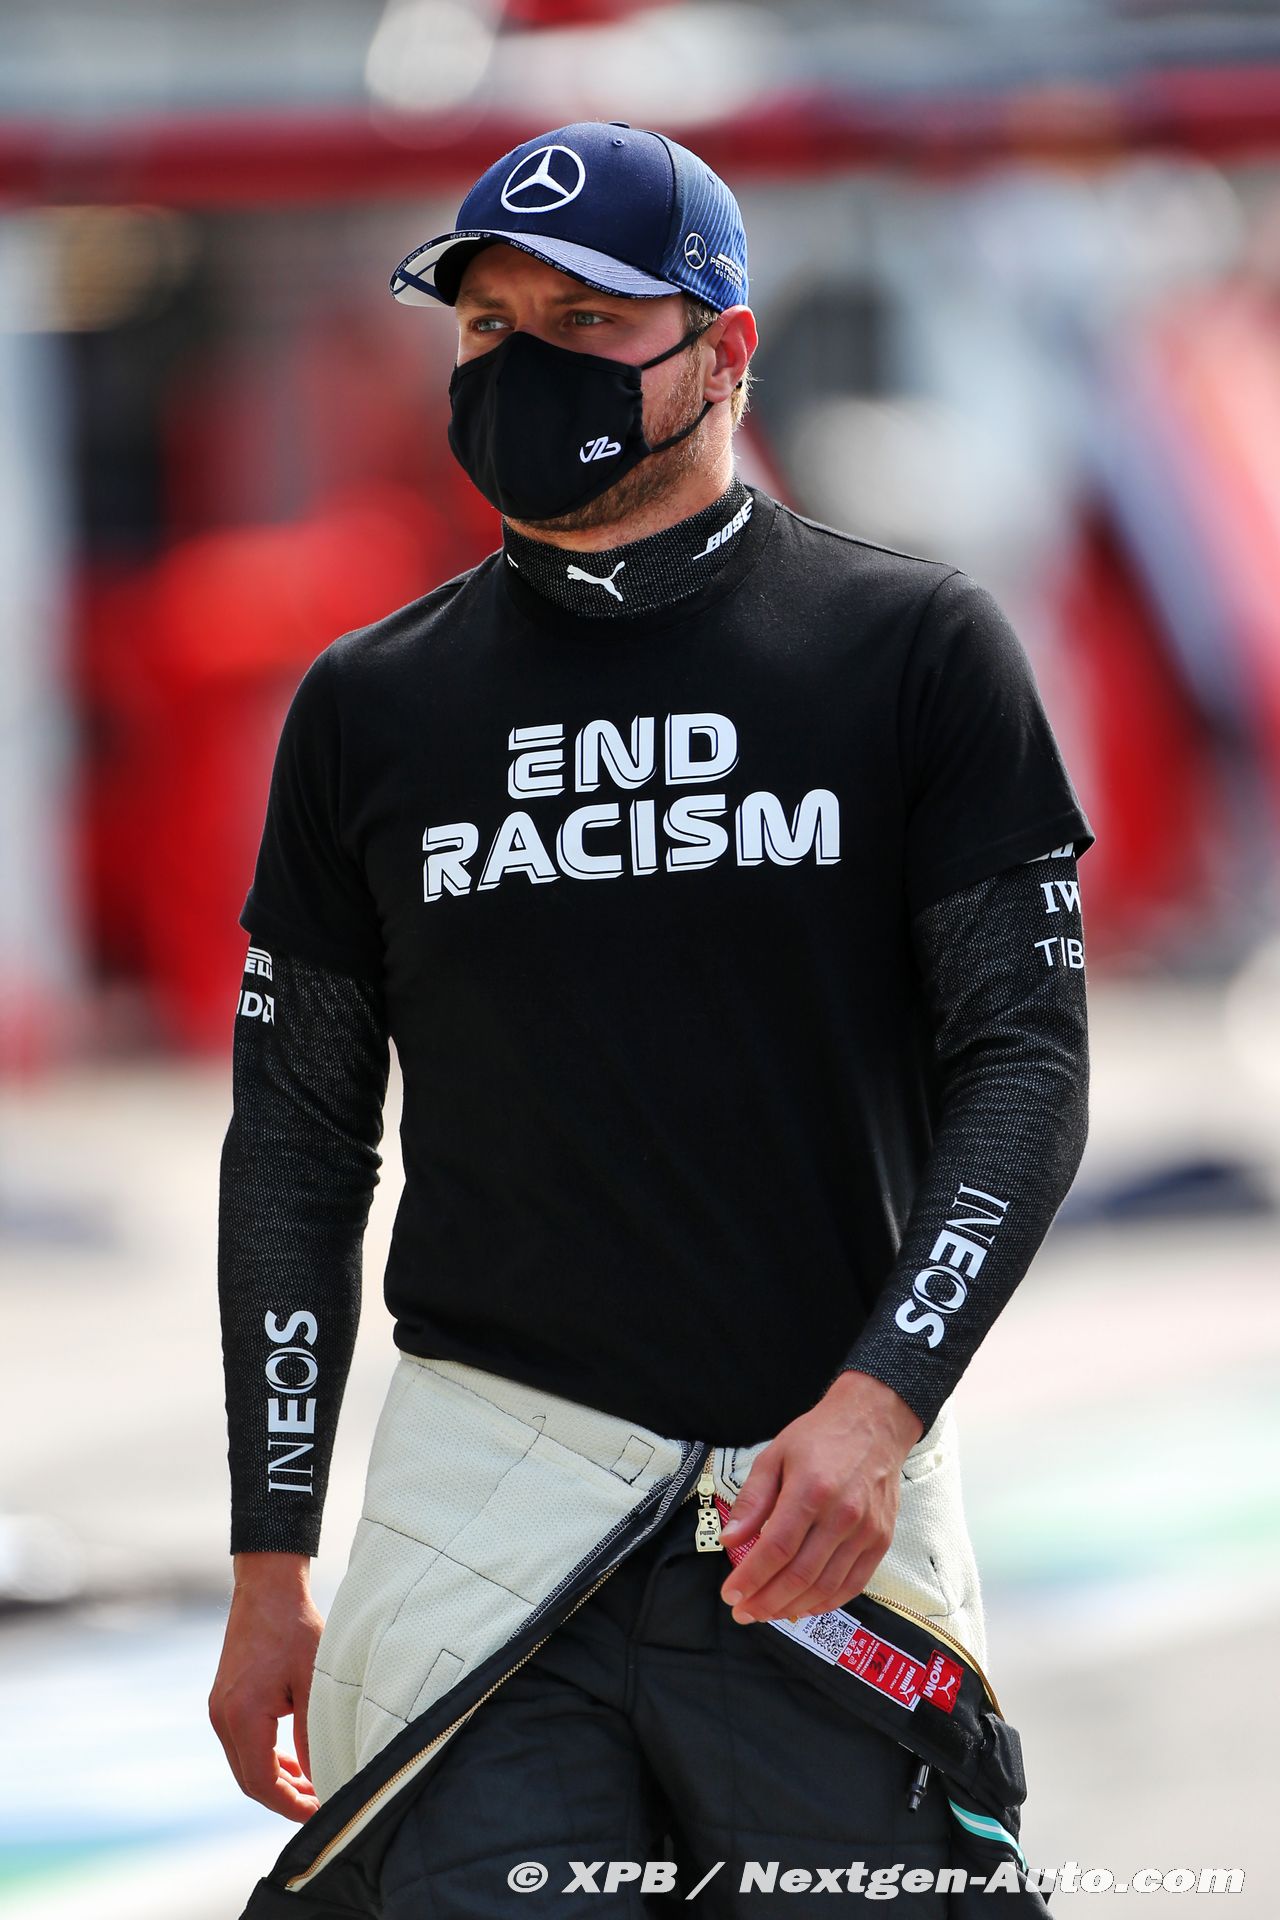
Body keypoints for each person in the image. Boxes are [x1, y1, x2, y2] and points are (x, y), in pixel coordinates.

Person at [209, 120, 1093, 1916]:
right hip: (482, 1508)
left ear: (724, 348)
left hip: (807, 1506)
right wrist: (269, 1554)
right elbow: (296, 1141)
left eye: (588, 322)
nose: (522, 364)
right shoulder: (367, 710)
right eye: (489, 324)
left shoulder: (914, 649)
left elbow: (1026, 1060)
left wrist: (880, 1409)